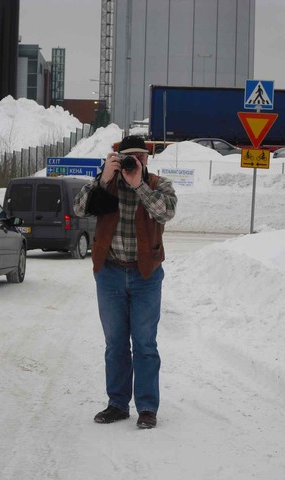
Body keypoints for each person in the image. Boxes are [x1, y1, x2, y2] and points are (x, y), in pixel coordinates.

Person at [73, 135, 177, 429]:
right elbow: (79, 209)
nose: (136, 162)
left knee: (145, 344)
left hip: (146, 274)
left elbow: (166, 212)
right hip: (110, 273)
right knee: (115, 343)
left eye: (141, 157)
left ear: (147, 159)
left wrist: (138, 185)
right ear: (117, 159)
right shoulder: (106, 184)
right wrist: (102, 178)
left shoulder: (158, 185)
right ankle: (117, 404)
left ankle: (146, 408)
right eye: (128, 157)